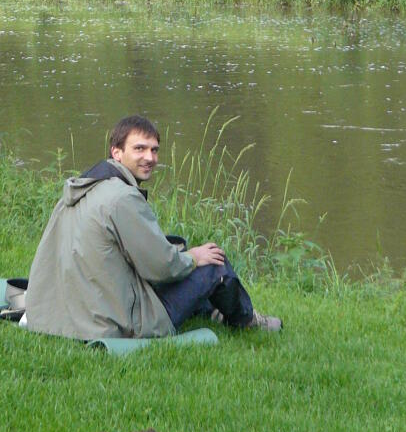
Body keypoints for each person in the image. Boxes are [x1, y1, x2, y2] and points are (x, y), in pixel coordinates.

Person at [25, 114, 281, 340]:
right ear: (117, 152)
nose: (150, 158)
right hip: (112, 323)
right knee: (214, 263)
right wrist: (192, 257)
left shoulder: (82, 188)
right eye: (139, 149)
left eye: (154, 150)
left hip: (59, 315)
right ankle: (247, 321)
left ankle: (212, 309)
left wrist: (178, 254)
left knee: (175, 246)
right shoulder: (123, 198)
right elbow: (161, 267)